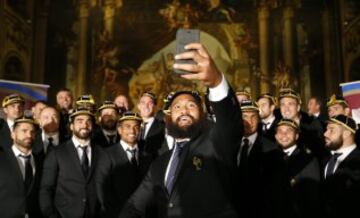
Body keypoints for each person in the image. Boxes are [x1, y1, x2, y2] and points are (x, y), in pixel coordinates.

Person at [119, 43, 242, 218]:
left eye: (191, 106)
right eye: (177, 107)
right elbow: (134, 206)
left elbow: (230, 121)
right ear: (167, 118)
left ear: (202, 114)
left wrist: (216, 82)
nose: (184, 111)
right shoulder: (159, 164)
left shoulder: (216, 144)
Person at [40, 107, 103, 218]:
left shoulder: (102, 152)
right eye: (79, 121)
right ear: (71, 126)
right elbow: (46, 189)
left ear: (92, 126)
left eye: (88, 121)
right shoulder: (57, 153)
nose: (84, 125)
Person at [96, 111, 152, 218]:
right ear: (119, 130)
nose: (132, 130)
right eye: (128, 126)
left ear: (140, 130)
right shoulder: (107, 154)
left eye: (136, 127)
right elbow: (102, 188)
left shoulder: (147, 157)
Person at [234, 100, 278, 218]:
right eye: (245, 116)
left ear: (258, 120)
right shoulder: (229, 145)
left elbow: (276, 189)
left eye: (253, 117)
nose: (249, 121)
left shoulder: (271, 148)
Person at [275, 118, 321, 218]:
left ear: (296, 136)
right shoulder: (270, 157)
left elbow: (312, 198)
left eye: (289, 131)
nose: (284, 135)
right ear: (275, 135)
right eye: (280, 131)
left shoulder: (308, 159)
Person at [0, 116, 44, 218]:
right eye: (24, 131)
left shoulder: (41, 161)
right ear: (13, 135)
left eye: (32, 132)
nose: (29, 135)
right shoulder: (1, 158)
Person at [322, 115, 360, 218]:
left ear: (347, 133)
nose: (325, 133)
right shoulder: (325, 158)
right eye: (326, 129)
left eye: (331, 130)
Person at [278, 88, 326, 159]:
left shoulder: (313, 126)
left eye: (290, 104)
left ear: (298, 107)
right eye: (283, 104)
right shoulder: (275, 129)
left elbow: (321, 153)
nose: (286, 108)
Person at [137, 92, 165, 158]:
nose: (146, 106)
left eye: (150, 103)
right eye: (143, 102)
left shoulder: (163, 128)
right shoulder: (131, 125)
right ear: (138, 106)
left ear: (155, 106)